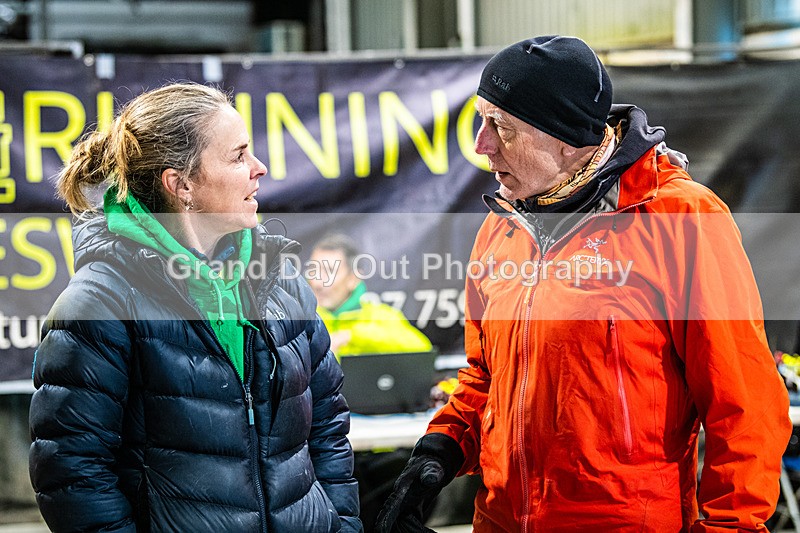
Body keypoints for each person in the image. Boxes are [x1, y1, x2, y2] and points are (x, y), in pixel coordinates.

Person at [377, 36, 792, 531]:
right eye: (480, 120)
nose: (480, 146)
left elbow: (743, 400)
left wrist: (733, 527)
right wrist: (440, 451)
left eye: (501, 128)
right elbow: (486, 376)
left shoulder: (680, 217)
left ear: (567, 137)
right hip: (502, 521)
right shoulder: (503, 225)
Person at [28, 82, 362, 532]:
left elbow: (327, 426)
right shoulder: (99, 302)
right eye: (238, 156)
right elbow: (73, 476)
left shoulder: (282, 282)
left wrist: (340, 524)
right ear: (181, 184)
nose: (259, 168)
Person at [307, 232, 432, 358]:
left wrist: (351, 336)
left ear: (353, 278)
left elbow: (423, 350)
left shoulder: (381, 316)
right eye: (313, 270)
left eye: (330, 272)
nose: (317, 282)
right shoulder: (299, 319)